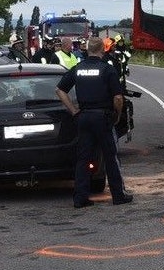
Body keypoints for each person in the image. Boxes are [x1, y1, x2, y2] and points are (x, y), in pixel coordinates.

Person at [56, 37, 133, 208]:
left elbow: (59, 90)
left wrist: (73, 110)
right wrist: (118, 115)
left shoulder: (78, 68)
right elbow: (118, 97)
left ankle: (80, 198)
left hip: (83, 117)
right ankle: (118, 195)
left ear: (87, 50)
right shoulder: (107, 70)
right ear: (102, 50)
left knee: (82, 159)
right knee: (110, 157)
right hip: (103, 117)